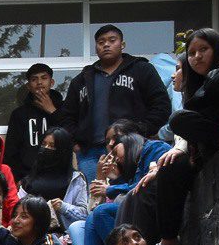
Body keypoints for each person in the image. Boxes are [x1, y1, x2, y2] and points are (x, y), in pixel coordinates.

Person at [53, 24, 172, 162]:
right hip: (90, 153)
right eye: (101, 42)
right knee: (95, 184)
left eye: (112, 40)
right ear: (96, 48)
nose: (106, 45)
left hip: (132, 147)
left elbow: (161, 105)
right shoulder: (82, 80)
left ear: (122, 44)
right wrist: (75, 142)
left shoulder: (141, 70)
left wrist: (141, 131)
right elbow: (66, 116)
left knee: (134, 184)